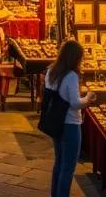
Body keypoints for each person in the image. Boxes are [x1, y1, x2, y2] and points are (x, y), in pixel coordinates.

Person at [44, 40, 94, 197]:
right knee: (68, 166)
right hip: (70, 124)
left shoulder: (51, 71)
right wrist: (88, 98)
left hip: (55, 122)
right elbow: (75, 103)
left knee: (59, 162)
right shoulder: (71, 76)